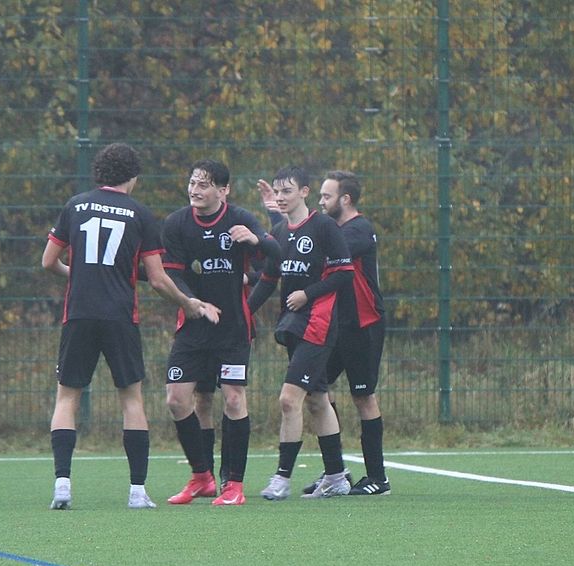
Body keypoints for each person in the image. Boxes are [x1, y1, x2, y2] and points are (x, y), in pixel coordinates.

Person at [41, 143, 219, 510]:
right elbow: (156, 279)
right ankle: (137, 491)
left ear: (100, 173)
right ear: (133, 176)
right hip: (121, 316)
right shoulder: (139, 214)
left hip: (78, 313)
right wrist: (188, 302)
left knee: (67, 397)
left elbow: (48, 262)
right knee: (131, 399)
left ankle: (62, 485)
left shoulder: (75, 205)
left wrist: (80, 276)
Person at [162, 159, 281, 506]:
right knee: (178, 399)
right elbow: (173, 274)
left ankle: (235, 485)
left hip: (232, 331)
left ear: (223, 190)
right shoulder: (176, 224)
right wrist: (194, 302)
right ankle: (202, 477)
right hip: (193, 327)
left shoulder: (240, 219)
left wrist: (257, 238)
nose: (195, 190)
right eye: (193, 183)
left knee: (232, 399)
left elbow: (276, 258)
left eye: (204, 184)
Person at [247, 166, 355, 500]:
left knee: (288, 400)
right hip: (292, 326)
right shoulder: (280, 231)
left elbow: (344, 273)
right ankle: (337, 477)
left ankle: (281, 479)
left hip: (317, 324)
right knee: (319, 401)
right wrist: (243, 313)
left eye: (287, 191)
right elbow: (268, 278)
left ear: (304, 192)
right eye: (277, 192)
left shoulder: (323, 227)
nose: (280, 197)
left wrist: (308, 294)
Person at [313, 170, 390, 496]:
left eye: (326, 196)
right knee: (315, 389)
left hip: (363, 325)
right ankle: (335, 473)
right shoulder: (330, 229)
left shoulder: (360, 229)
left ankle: (378, 478)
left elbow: (328, 250)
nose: (320, 201)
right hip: (334, 325)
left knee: (363, 397)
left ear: (345, 199)